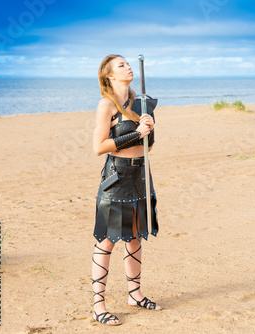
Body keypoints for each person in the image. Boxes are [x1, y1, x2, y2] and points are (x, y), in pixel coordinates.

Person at [91, 54, 162, 326]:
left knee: (135, 237)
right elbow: (99, 147)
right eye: (121, 65)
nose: (128, 66)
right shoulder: (107, 105)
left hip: (141, 175)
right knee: (107, 240)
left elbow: (149, 146)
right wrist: (136, 133)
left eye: (128, 63)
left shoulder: (142, 102)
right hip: (116, 177)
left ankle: (135, 294)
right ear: (110, 76)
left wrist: (149, 130)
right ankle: (99, 305)